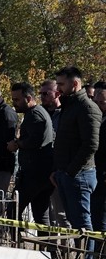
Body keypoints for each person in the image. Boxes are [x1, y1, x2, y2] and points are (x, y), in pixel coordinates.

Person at [50, 66, 102, 237]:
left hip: (79, 175)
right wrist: (59, 171)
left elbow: (91, 144)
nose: (58, 89)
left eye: (61, 84)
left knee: (82, 223)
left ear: (75, 83)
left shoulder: (87, 108)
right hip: (67, 173)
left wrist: (70, 171)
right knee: (75, 222)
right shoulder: (70, 106)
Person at [7, 82, 54, 228]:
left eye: (17, 100)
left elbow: (36, 140)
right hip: (41, 174)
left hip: (34, 174)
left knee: (12, 211)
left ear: (28, 99)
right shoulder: (37, 112)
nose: (14, 103)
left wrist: (17, 144)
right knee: (41, 216)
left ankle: (19, 244)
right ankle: (47, 249)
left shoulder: (35, 114)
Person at [39, 78, 68, 227]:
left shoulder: (65, 114)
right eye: (40, 94)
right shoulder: (40, 113)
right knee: (47, 215)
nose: (42, 97)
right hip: (42, 169)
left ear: (57, 93)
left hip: (58, 169)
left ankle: (68, 249)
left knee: (61, 215)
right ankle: (51, 249)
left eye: (46, 94)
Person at [91, 81, 106, 257]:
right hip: (95, 175)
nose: (100, 106)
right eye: (97, 101)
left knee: (101, 222)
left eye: (103, 102)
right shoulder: (95, 119)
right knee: (95, 220)